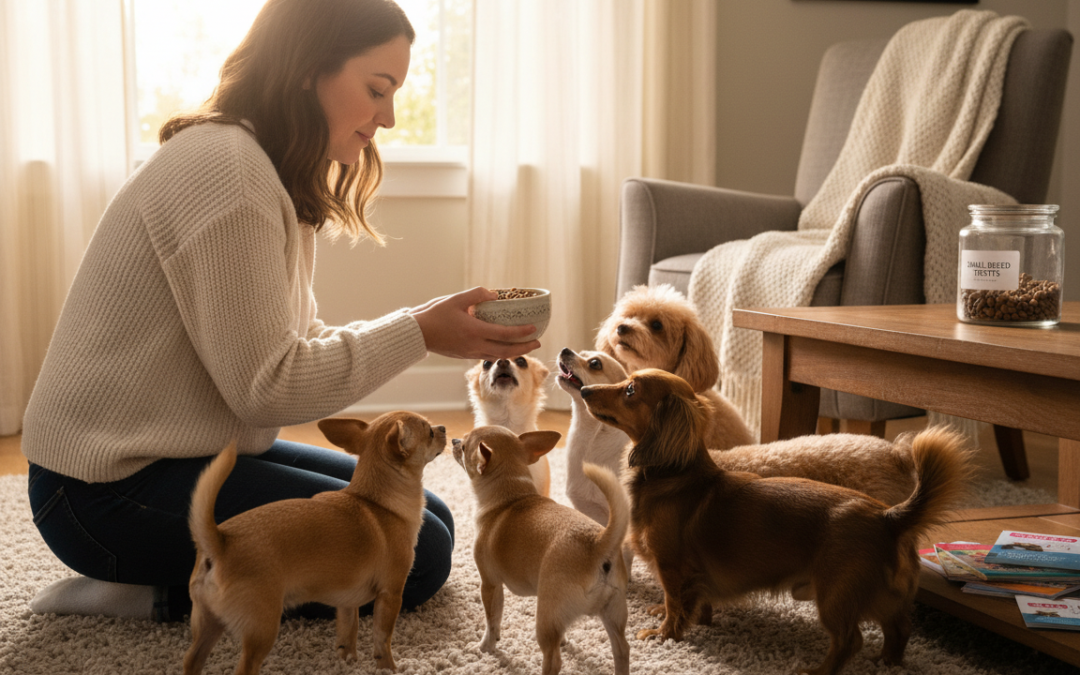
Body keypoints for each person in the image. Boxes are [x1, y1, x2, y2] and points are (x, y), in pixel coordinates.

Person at [22, 0, 538, 623]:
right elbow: (268, 388)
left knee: (426, 513)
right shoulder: (229, 174)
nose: (391, 117)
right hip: (100, 495)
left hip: (182, 452)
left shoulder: (261, 167)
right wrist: (420, 333)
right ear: (306, 68)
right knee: (417, 555)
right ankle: (165, 595)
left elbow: (295, 341)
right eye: (378, 89)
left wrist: (426, 323)